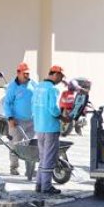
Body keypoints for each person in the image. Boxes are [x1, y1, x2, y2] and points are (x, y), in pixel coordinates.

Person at [32, 65, 66, 194]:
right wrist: (63, 117)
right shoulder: (52, 89)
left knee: (42, 157)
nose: (61, 80)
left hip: (39, 126)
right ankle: (46, 186)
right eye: (61, 77)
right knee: (49, 157)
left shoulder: (38, 87)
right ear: (56, 75)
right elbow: (53, 109)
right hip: (50, 127)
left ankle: (39, 184)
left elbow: (33, 106)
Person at [4, 62, 38, 175]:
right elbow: (7, 104)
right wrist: (10, 118)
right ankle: (14, 167)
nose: (27, 76)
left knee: (31, 146)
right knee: (15, 144)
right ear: (18, 73)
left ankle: (30, 169)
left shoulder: (33, 84)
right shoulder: (12, 87)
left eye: (28, 73)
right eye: (25, 74)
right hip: (16, 121)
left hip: (31, 120)